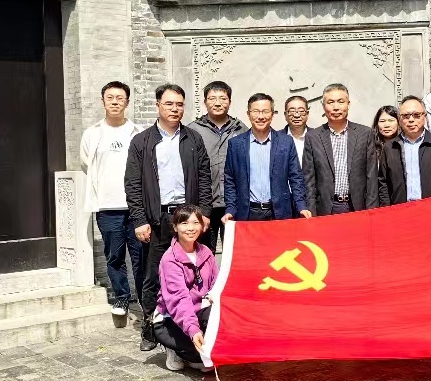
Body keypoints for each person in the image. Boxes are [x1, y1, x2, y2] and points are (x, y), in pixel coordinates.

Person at [125, 84, 212, 352]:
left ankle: (191, 323)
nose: (175, 109)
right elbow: (133, 184)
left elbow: (204, 177)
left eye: (179, 104)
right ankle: (151, 326)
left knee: (192, 272)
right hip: (158, 218)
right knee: (153, 274)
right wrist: (139, 219)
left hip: (188, 216)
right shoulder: (142, 141)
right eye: (169, 104)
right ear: (158, 106)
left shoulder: (193, 139)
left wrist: (204, 213)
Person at [80, 81, 145, 317]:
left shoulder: (138, 132)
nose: (115, 102)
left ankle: (146, 303)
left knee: (141, 258)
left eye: (120, 98)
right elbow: (86, 163)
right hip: (107, 207)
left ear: (127, 102)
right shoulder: (92, 133)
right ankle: (121, 298)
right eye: (110, 98)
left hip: (137, 208)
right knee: (114, 256)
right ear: (103, 101)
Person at [223, 93, 311, 222]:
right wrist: (230, 209)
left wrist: (301, 206)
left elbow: (295, 177)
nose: (260, 116)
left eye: (265, 111)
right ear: (248, 114)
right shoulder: (235, 144)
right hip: (247, 213)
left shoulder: (286, 142)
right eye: (256, 111)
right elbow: (230, 180)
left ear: (272, 114)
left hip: (278, 212)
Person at [154, 205, 216, 373]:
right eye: (184, 223)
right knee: (200, 357)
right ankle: (175, 350)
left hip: (200, 309)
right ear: (175, 227)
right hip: (173, 317)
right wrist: (193, 329)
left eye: (195, 223)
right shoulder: (169, 259)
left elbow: (216, 285)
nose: (191, 228)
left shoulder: (206, 253)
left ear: (202, 226)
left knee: (210, 354)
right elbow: (179, 299)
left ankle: (194, 353)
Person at [187, 82, 247, 251]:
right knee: (204, 251)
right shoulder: (193, 130)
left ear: (230, 101)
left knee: (235, 251)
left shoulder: (240, 128)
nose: (218, 103)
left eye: (223, 98)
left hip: (233, 203)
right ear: (205, 102)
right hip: (204, 204)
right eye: (212, 98)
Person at [303, 84, 379, 214]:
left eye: (340, 101)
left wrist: (371, 211)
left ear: (348, 104)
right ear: (323, 106)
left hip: (357, 207)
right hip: (326, 209)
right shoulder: (313, 137)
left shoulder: (365, 134)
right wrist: (311, 211)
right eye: (330, 102)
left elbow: (371, 177)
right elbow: (309, 180)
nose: (336, 107)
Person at [378, 96, 431, 205]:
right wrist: (387, 209)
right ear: (399, 119)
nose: (411, 120)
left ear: (425, 117)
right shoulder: (390, 148)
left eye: (416, 115)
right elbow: (383, 184)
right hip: (400, 209)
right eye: (406, 116)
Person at [284, 95, 310, 163]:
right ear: (285, 115)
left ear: (307, 114)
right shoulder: (276, 138)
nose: (296, 115)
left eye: (301, 111)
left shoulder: (317, 137)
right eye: (292, 111)